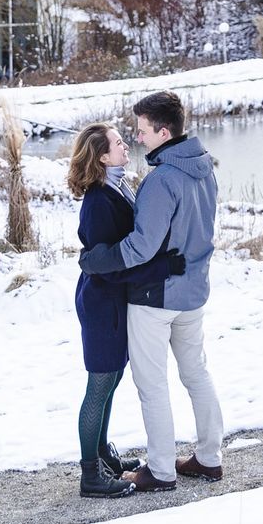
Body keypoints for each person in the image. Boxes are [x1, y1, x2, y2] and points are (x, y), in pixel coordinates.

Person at [78, 91, 225, 493]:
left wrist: (95, 261)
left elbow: (141, 247)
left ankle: (161, 470)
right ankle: (210, 458)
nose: (139, 139)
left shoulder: (162, 180)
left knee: (152, 384)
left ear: (163, 131)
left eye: (143, 131)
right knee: (196, 373)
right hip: (194, 293)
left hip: (155, 298)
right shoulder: (206, 169)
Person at [67, 122, 185, 499]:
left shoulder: (117, 185)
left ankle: (102, 456)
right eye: (118, 143)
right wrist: (162, 267)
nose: (126, 145)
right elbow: (111, 265)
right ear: (103, 156)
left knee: (111, 381)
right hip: (103, 305)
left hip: (113, 302)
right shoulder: (99, 200)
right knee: (99, 387)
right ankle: (91, 476)